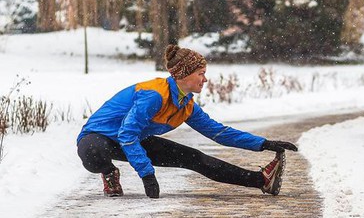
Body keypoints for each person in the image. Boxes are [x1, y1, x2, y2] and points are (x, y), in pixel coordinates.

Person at [77, 45, 298, 199]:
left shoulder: (186, 105)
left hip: (133, 139)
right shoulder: (154, 95)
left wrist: (263, 144)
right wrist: (147, 174)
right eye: (201, 73)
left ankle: (261, 180)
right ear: (184, 75)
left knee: (195, 158)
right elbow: (126, 134)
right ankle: (109, 172)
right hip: (99, 138)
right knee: (94, 154)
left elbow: (218, 132)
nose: (205, 79)